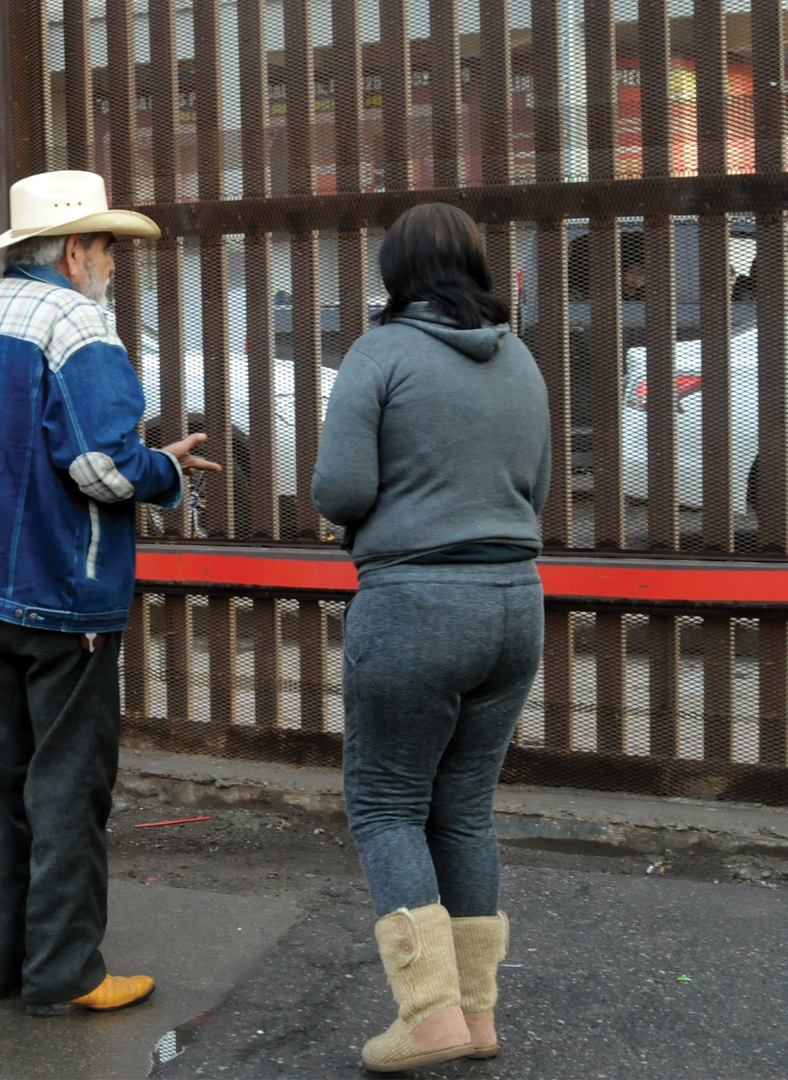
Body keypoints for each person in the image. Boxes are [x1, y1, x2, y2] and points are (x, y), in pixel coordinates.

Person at [0, 170, 220, 1017]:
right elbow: (100, 466)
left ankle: (4, 966)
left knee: (3, 781)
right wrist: (166, 468)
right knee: (69, 785)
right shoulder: (79, 324)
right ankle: (67, 973)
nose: (115, 265)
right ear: (75, 248)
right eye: (109, 248)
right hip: (61, 589)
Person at [311, 202, 551, 1072]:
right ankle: (477, 1013)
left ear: (393, 276)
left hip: (415, 601)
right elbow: (539, 489)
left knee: (385, 804)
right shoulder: (520, 358)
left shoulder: (380, 354)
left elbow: (339, 490)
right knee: (464, 809)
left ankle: (428, 1015)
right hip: (514, 603)